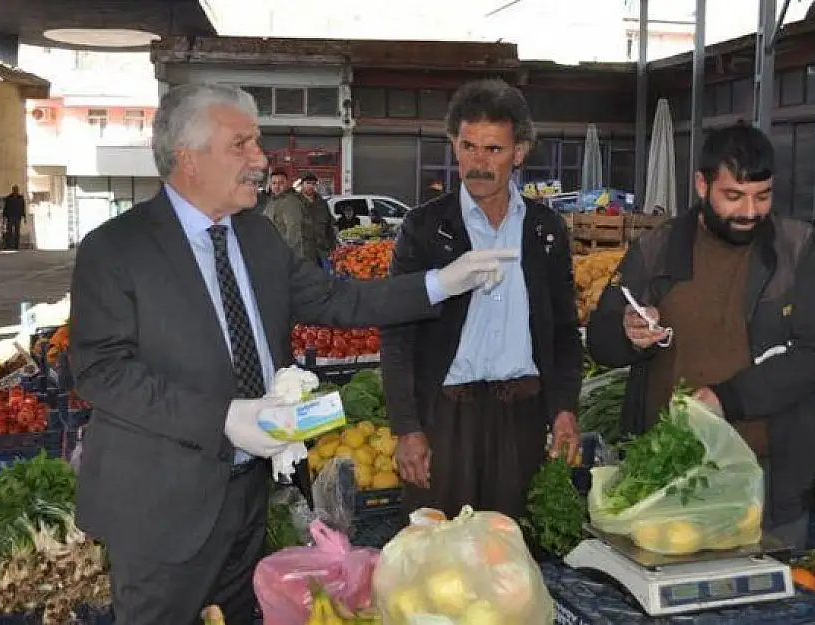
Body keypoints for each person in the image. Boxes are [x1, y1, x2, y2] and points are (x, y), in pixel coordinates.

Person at [68, 83, 518, 625]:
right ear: (188, 159)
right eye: (243, 145)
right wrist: (224, 418)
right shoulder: (116, 249)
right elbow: (102, 372)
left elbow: (337, 298)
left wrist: (440, 284)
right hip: (162, 506)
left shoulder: (257, 237)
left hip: (246, 496)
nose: (261, 160)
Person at [585, 124, 815, 550]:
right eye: (734, 196)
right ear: (702, 185)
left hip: (769, 479)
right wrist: (627, 331)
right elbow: (600, 341)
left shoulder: (798, 250)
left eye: (763, 195)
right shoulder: (658, 250)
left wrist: (727, 399)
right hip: (669, 477)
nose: (750, 211)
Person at [380, 79, 582, 520]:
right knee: (439, 561)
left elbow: (566, 331)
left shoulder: (545, 231)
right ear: (454, 143)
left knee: (512, 563)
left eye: (494, 150)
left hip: (523, 421)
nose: (478, 163)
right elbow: (397, 336)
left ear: (520, 152)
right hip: (445, 421)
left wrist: (564, 408)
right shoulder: (424, 228)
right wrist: (407, 428)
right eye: (469, 146)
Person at [263, 170, 315, 260]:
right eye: (274, 183)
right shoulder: (272, 201)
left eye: (281, 183)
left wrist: (287, 256)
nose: (277, 186)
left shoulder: (290, 201)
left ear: (287, 184)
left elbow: (294, 231)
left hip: (288, 255)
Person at [298, 172, 337, 265]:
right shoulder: (294, 202)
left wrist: (333, 248)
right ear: (302, 184)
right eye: (308, 183)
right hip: (303, 253)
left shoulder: (322, 204)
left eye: (313, 184)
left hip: (322, 251)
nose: (311, 186)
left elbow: (329, 227)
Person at [2, 185, 25, 249]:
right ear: (12, 190)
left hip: (17, 217)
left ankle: (16, 245)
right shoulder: (9, 198)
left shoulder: (21, 198)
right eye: (14, 189)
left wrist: (24, 216)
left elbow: (23, 208)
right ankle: (8, 245)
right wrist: (4, 216)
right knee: (9, 231)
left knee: (17, 232)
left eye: (16, 189)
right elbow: (6, 208)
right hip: (10, 217)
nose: (15, 191)